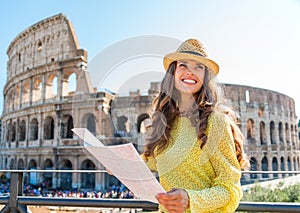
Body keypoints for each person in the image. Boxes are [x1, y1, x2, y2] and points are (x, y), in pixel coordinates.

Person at [142, 38, 250, 213]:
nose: (190, 72)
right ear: (173, 73)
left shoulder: (215, 121)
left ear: (205, 77)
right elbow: (156, 162)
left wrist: (191, 199)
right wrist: (120, 163)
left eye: (198, 67)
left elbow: (230, 189)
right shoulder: (166, 121)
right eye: (183, 65)